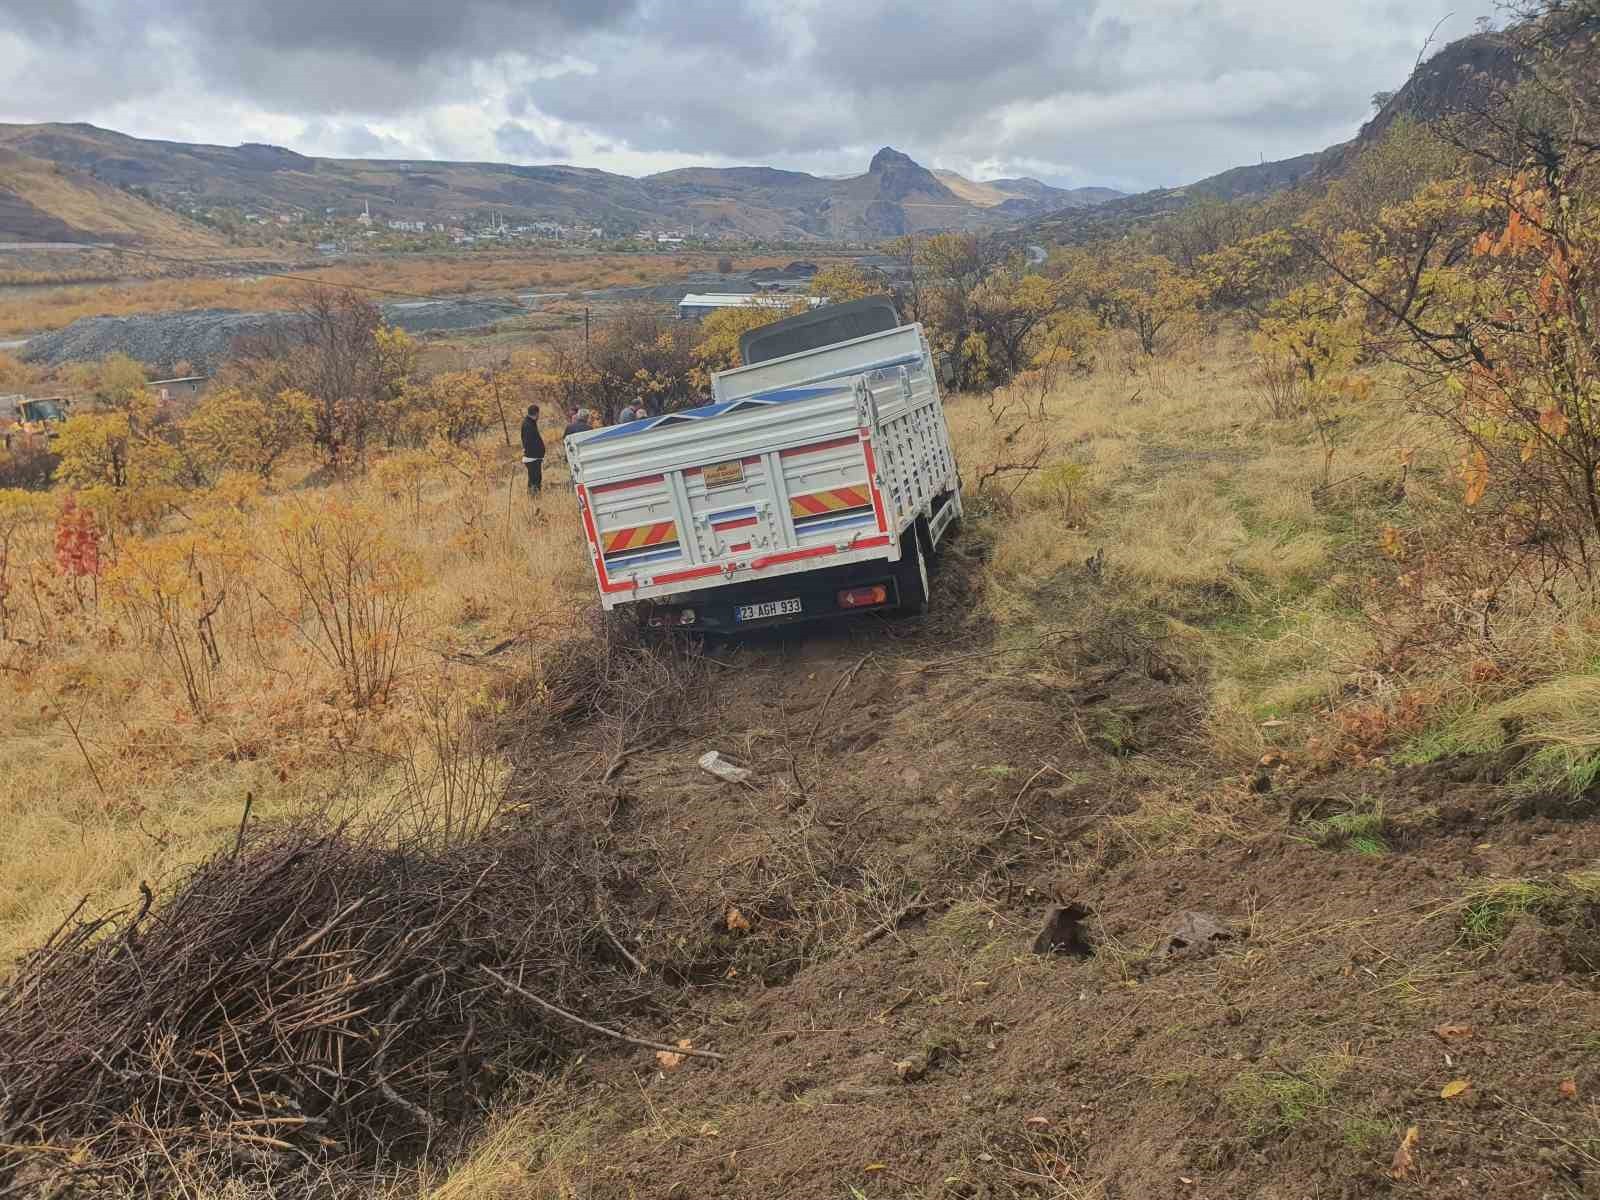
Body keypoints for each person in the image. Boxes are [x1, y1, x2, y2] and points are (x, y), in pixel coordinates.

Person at [520, 403, 545, 494]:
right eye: (538, 414)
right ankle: (534, 498)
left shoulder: (530, 423)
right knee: (535, 479)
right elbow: (528, 442)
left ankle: (534, 497)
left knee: (535, 478)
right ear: (536, 413)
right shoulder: (528, 425)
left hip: (534, 457)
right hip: (532, 458)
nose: (539, 416)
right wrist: (536, 454)